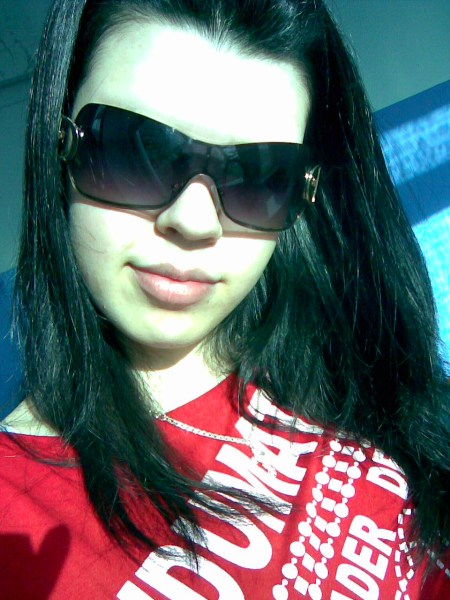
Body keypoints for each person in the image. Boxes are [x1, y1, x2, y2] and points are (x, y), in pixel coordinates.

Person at [0, 0, 448, 598]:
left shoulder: (353, 357)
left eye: (260, 175)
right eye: (134, 152)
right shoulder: (15, 523)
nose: (194, 222)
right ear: (59, 145)